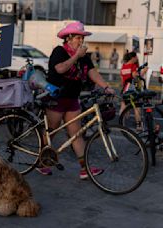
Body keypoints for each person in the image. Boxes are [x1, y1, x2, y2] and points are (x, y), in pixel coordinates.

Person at [36, 21, 115, 178]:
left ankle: (84, 169)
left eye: (82, 38)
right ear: (69, 38)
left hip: (72, 99)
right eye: (78, 37)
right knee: (51, 133)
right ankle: (41, 162)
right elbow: (60, 68)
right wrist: (76, 56)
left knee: (76, 134)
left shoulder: (84, 56)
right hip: (56, 99)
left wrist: (106, 86)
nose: (81, 41)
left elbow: (93, 72)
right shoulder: (59, 51)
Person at [119, 52, 148, 131]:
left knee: (123, 108)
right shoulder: (133, 65)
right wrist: (144, 71)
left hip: (125, 89)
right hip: (133, 89)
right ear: (133, 58)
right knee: (137, 108)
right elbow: (135, 76)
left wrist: (123, 89)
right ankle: (139, 126)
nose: (137, 59)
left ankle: (121, 124)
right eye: (136, 57)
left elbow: (122, 80)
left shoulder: (123, 66)